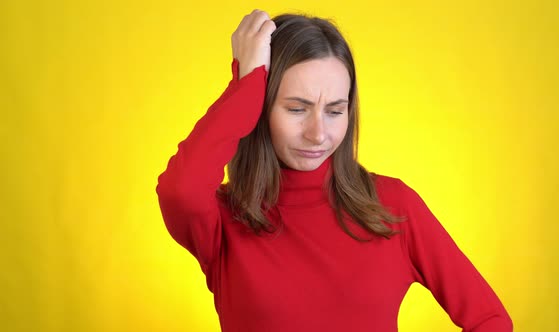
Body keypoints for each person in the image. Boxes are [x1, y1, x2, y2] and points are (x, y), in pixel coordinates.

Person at [156, 9, 513, 332]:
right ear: (260, 110)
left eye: (335, 110)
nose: (318, 134)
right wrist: (246, 83)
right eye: (297, 109)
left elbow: (490, 320)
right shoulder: (224, 219)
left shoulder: (392, 205)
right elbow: (180, 190)